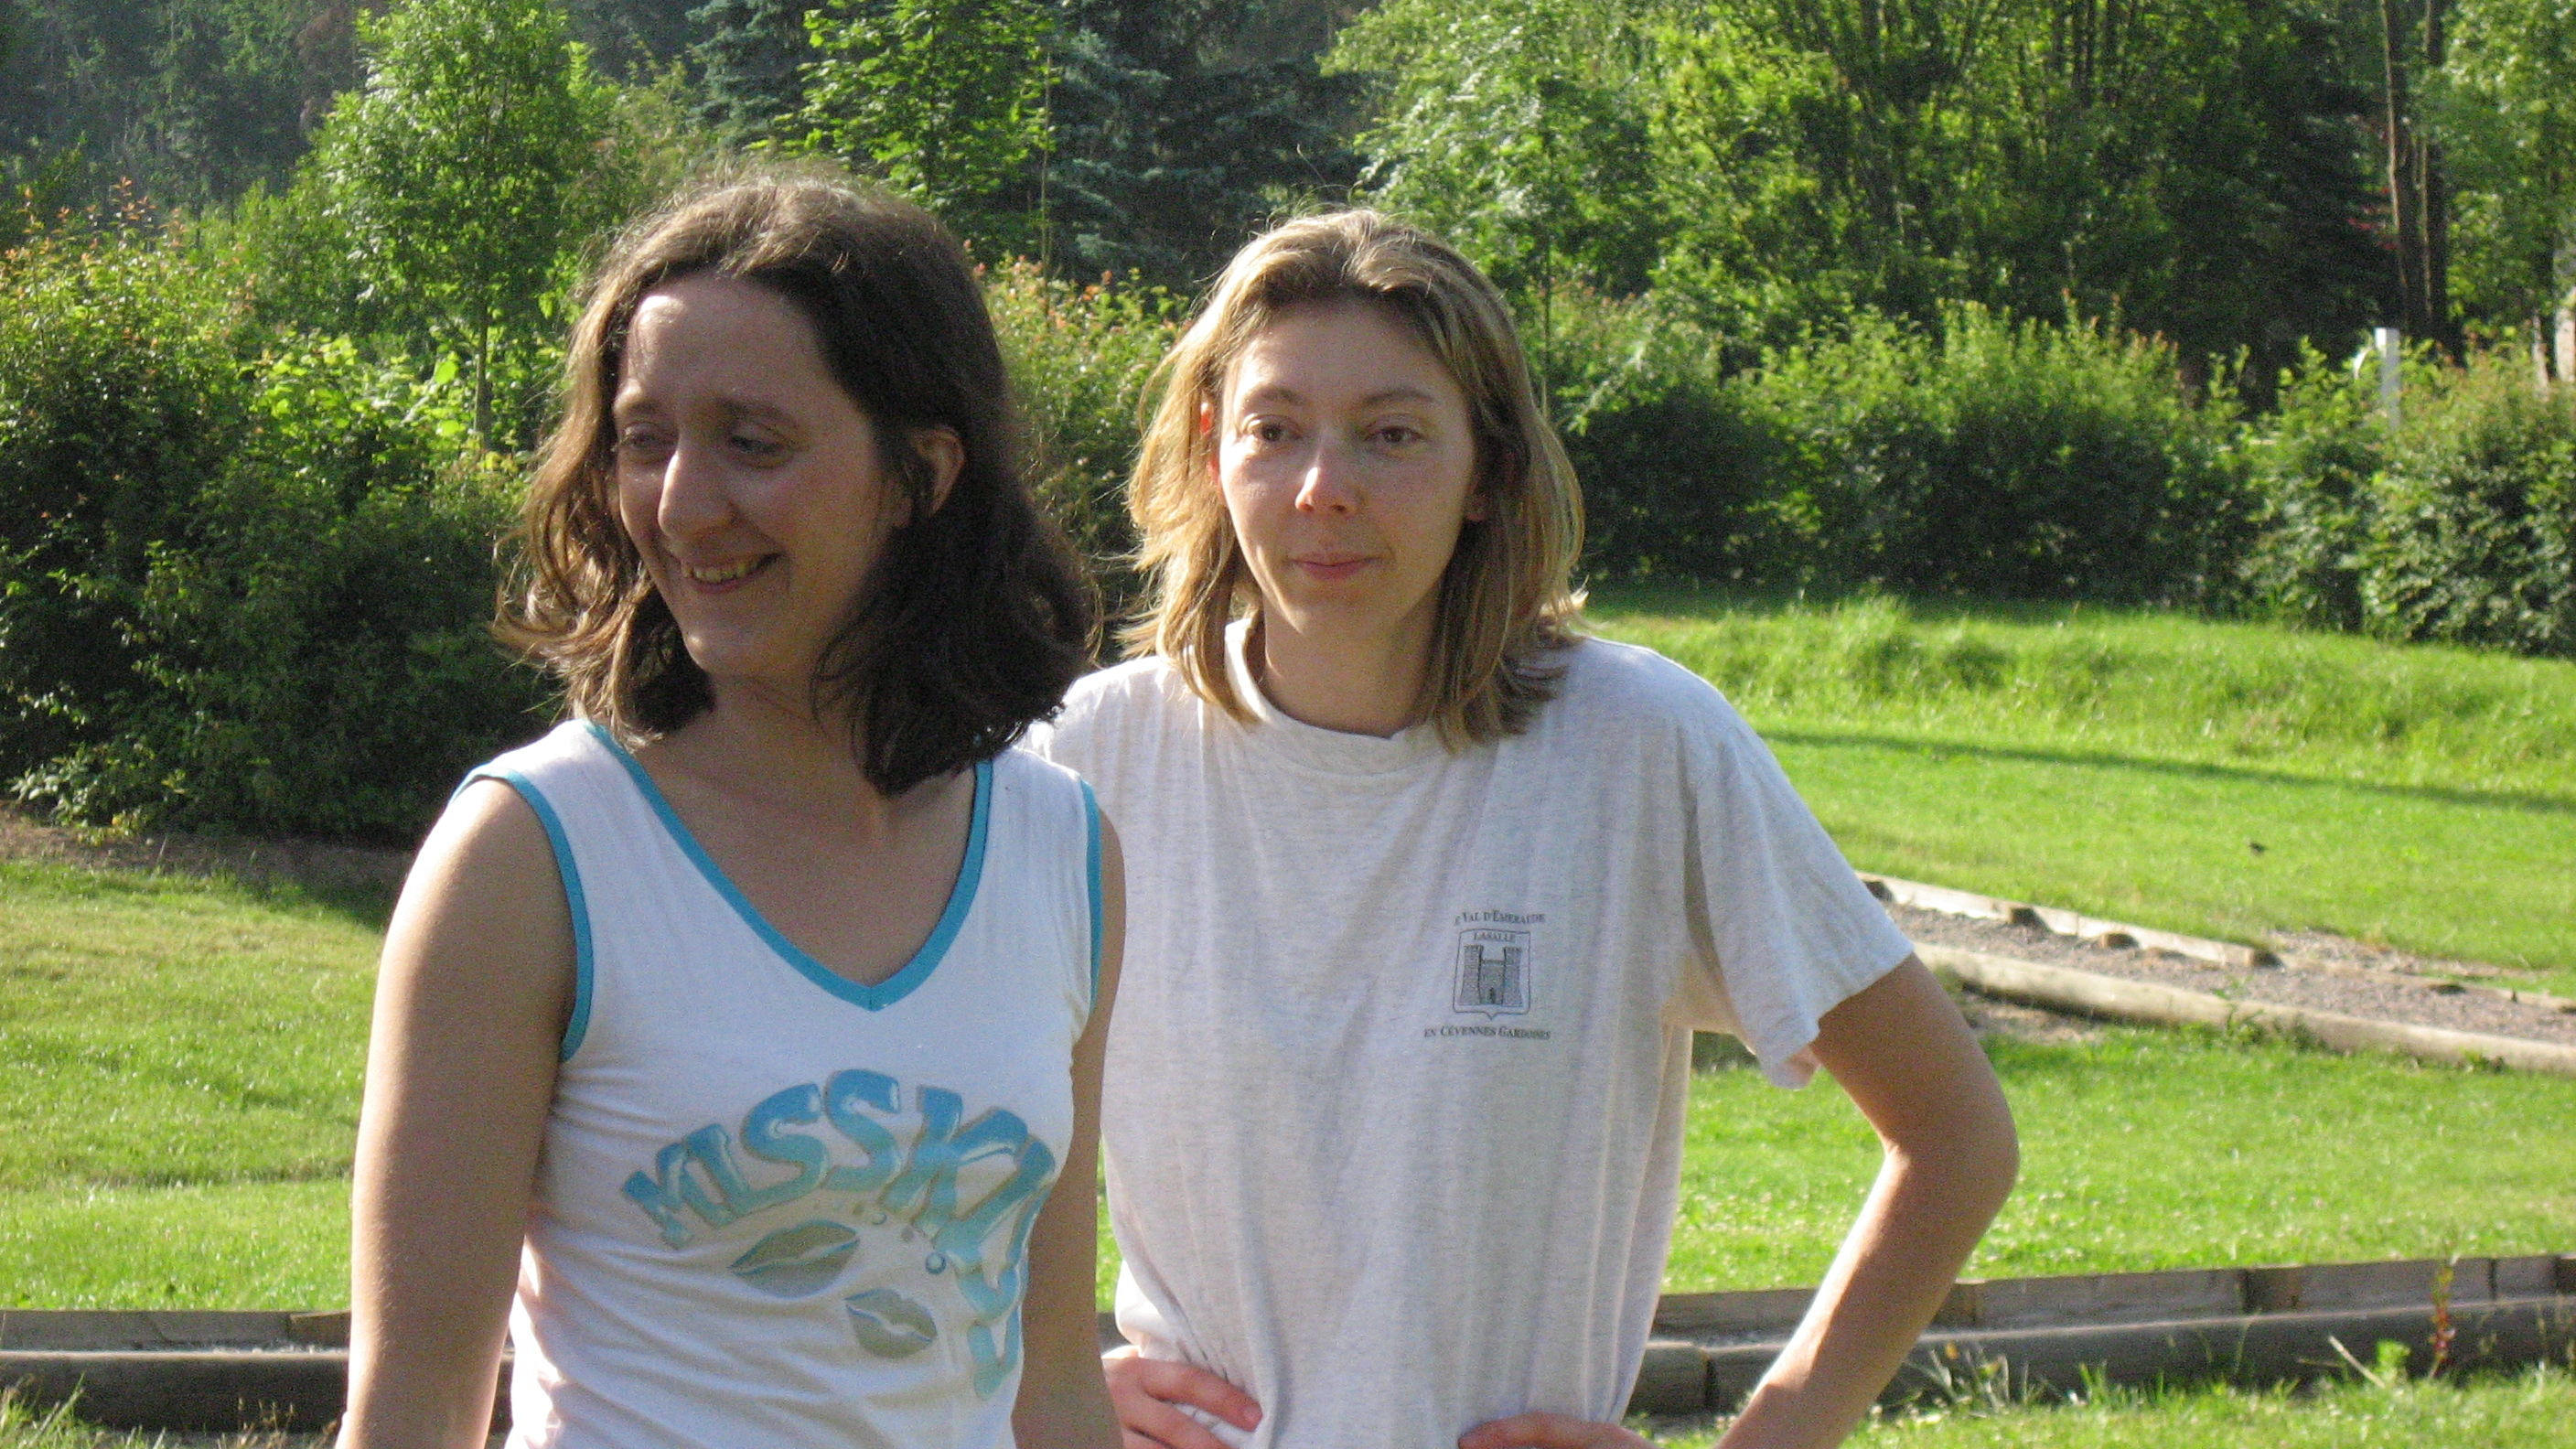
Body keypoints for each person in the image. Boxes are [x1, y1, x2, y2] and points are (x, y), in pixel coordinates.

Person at [1031, 210, 2020, 1449]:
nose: (1325, 487)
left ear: (1491, 471)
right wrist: (1038, 1384)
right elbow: (919, 1140)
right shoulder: (1087, 762)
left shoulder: (1640, 747)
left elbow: (1956, 1137)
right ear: (1208, 446)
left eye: (1393, 434)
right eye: (1274, 430)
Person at [338, 169, 1123, 1449]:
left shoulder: (1064, 851)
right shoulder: (533, 853)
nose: (682, 504)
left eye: (752, 442)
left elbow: (1054, 1385)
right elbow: (411, 1414)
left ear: (921, 475)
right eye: (643, 437)